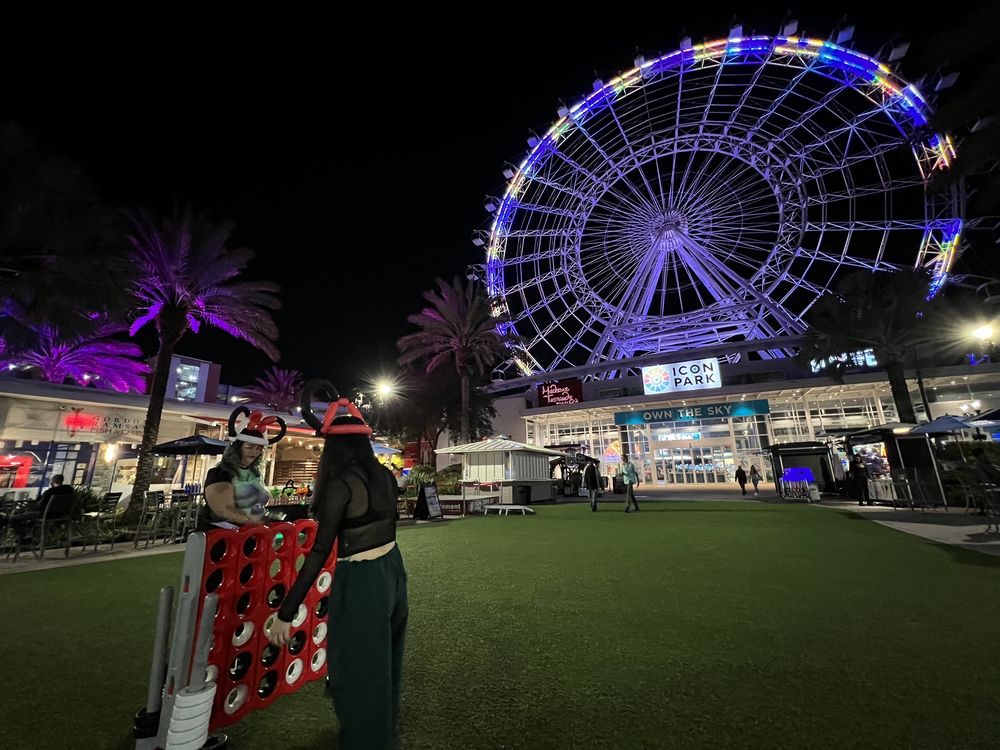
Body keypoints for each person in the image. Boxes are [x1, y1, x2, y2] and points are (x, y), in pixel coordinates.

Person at [270, 381, 407, 750]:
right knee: (386, 657)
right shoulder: (385, 475)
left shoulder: (340, 484)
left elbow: (319, 550)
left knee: (355, 663)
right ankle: (382, 728)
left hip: (361, 577)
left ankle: (366, 739)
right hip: (393, 570)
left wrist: (287, 610)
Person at [201, 407, 286, 529]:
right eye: (249, 446)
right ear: (236, 448)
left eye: (258, 448)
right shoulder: (219, 473)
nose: (255, 452)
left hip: (253, 532)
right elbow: (224, 510)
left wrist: (269, 518)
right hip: (226, 537)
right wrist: (261, 522)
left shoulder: (254, 473)